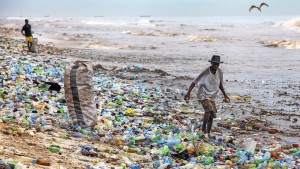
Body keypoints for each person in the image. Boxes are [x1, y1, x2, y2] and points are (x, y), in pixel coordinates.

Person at [184, 55, 230, 138]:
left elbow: (220, 84)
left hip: (212, 96)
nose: (215, 65)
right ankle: (203, 128)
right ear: (211, 63)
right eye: (214, 63)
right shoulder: (206, 72)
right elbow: (194, 82)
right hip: (203, 94)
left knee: (213, 114)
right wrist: (188, 93)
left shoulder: (220, 72)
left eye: (217, 64)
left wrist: (225, 95)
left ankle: (208, 133)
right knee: (209, 109)